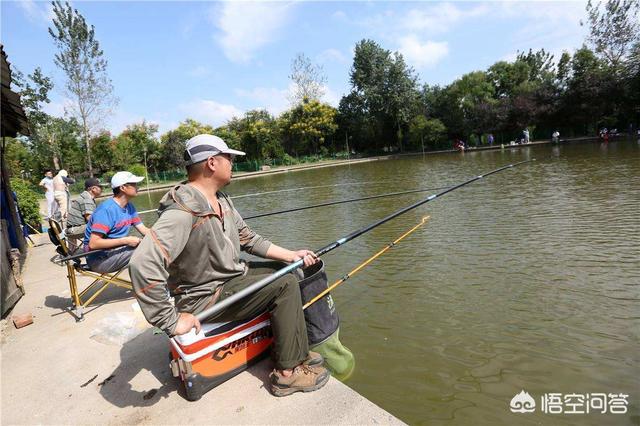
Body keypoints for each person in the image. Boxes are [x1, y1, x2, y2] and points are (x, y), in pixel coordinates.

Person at [129, 134, 330, 397]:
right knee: (284, 284)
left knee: (289, 271)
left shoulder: (221, 200)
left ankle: (294, 351)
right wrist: (171, 320)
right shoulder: (182, 212)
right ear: (212, 163)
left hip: (229, 280)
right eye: (229, 158)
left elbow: (248, 238)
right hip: (205, 297)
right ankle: (287, 374)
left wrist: (291, 255)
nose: (232, 163)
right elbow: (142, 263)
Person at [83, 171, 149, 273]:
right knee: (147, 249)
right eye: (134, 184)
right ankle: (151, 285)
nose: (138, 187)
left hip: (115, 252)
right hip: (99, 260)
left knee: (156, 246)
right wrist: (126, 240)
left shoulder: (129, 206)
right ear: (123, 188)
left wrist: (163, 236)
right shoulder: (106, 210)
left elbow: (143, 230)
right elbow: (93, 244)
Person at [66, 177, 103, 248]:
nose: (102, 189)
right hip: (75, 230)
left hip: (73, 228)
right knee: (104, 225)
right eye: (100, 187)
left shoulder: (85, 196)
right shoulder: (87, 199)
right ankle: (102, 246)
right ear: (93, 189)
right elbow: (90, 218)